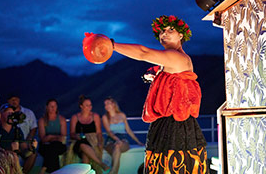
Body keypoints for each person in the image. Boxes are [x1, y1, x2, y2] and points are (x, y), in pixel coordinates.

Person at [105, 15, 208, 173]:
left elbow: (143, 53)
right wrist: (152, 76)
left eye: (170, 30)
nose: (164, 34)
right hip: (167, 124)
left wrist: (111, 45)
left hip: (175, 126)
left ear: (181, 35)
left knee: (171, 168)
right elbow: (167, 79)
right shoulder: (168, 62)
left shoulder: (178, 58)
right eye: (161, 31)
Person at [67, 95, 109, 174]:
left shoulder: (95, 116)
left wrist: (100, 142)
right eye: (87, 105)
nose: (89, 107)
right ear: (81, 106)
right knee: (82, 145)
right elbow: (72, 133)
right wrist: (77, 136)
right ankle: (101, 163)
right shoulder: (75, 117)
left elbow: (99, 132)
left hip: (91, 141)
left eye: (90, 105)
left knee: (85, 155)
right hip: (78, 141)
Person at [102, 96, 144, 174]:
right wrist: (117, 140)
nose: (106, 106)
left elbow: (128, 130)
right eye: (105, 104)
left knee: (118, 146)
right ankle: (114, 171)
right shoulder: (105, 117)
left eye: (108, 103)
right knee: (116, 146)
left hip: (123, 139)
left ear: (113, 104)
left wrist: (138, 142)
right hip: (111, 140)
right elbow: (109, 132)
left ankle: (113, 171)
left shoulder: (122, 115)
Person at [0, 104, 38, 174]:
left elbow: (24, 150)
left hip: (15, 156)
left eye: (12, 113)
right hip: (1, 156)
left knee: (33, 155)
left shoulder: (17, 130)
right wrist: (12, 150)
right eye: (8, 113)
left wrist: (31, 148)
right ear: (1, 115)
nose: (11, 115)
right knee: (11, 156)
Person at [38, 99, 67, 173]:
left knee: (53, 147)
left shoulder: (61, 119)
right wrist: (55, 137)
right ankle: (56, 172)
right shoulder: (42, 120)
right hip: (45, 146)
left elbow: (62, 138)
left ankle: (44, 167)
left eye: (54, 106)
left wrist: (50, 137)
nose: (53, 108)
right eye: (51, 106)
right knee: (52, 150)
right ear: (47, 107)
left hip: (58, 145)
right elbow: (43, 139)